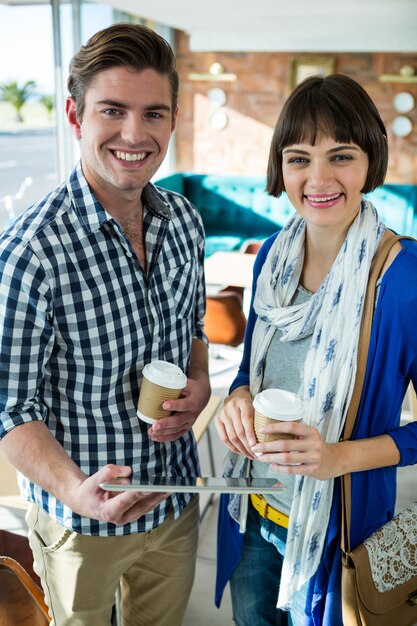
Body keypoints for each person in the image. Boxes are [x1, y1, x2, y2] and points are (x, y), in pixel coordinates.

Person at [0, 23, 211, 626]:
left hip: (175, 500)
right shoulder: (30, 253)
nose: (134, 135)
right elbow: (10, 407)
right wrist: (74, 491)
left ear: (172, 120)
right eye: (112, 110)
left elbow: (192, 329)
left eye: (154, 114)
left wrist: (201, 382)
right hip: (78, 525)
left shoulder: (185, 223)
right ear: (75, 114)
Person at [214, 73, 417, 626]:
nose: (318, 178)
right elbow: (254, 366)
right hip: (252, 510)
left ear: (370, 163)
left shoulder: (403, 278)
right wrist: (237, 395)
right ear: (281, 167)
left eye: (341, 155)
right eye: (299, 157)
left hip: (337, 528)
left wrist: (337, 458)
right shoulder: (271, 257)